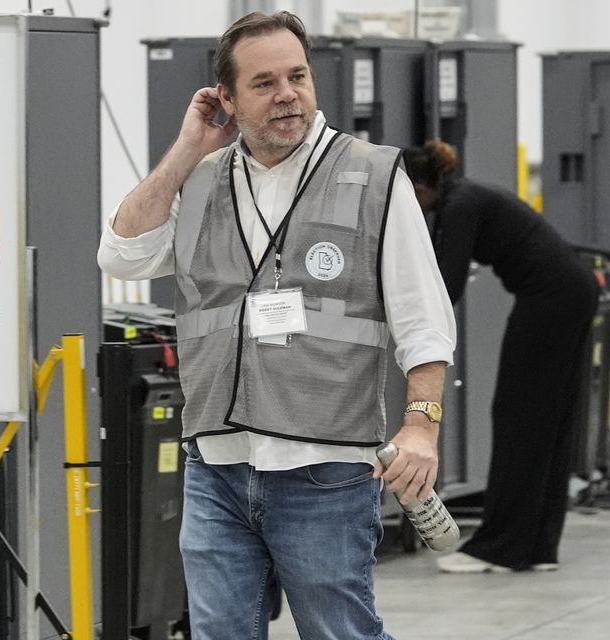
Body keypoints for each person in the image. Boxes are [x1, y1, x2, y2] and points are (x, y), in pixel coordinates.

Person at [98, 11, 456, 639]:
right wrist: (187, 149)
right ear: (226, 101)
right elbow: (121, 253)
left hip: (325, 467)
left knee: (340, 634)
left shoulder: (373, 174)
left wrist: (421, 426)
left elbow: (424, 318)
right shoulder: (203, 179)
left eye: (297, 76)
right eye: (263, 83)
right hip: (217, 462)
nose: (287, 93)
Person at [404, 139, 600, 574]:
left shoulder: (460, 206)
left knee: (518, 415)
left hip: (550, 298)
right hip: (570, 291)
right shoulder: (467, 195)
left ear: (419, 189)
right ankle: (538, 548)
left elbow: (446, 286)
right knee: (547, 421)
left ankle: (499, 548)